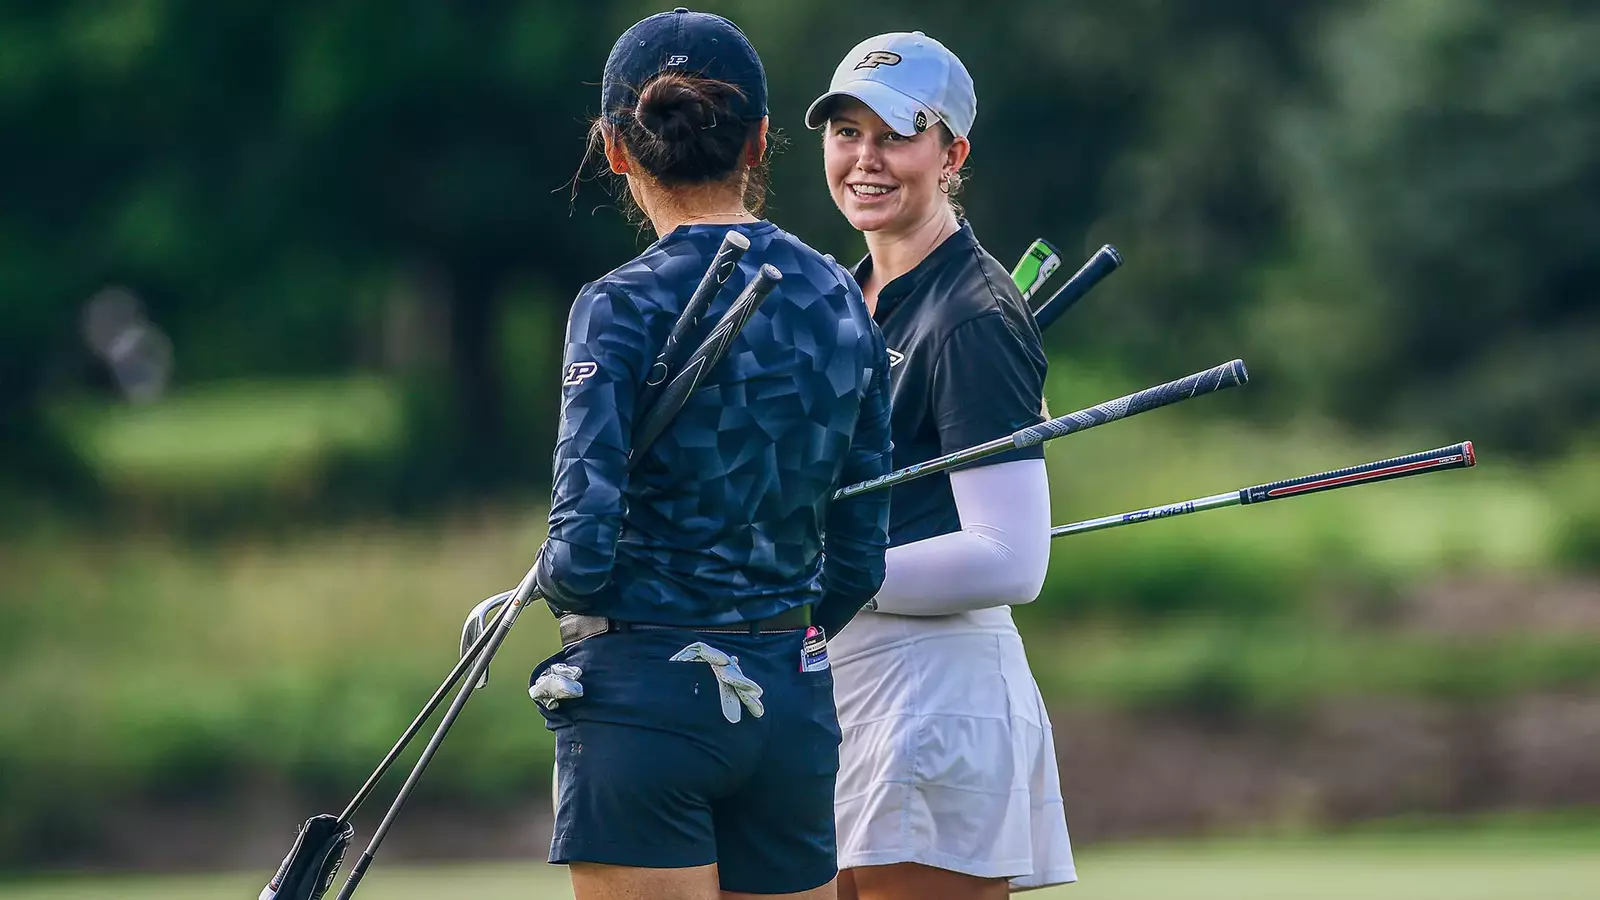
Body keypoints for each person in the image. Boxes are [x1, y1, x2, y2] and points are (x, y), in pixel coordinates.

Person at [529, 9, 892, 900]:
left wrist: (547, 585)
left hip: (643, 705)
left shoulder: (615, 305)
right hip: (789, 702)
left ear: (615, 148)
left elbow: (579, 559)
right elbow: (858, 557)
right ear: (762, 142)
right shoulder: (842, 298)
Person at [803, 31, 1078, 899]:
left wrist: (818, 576)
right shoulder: (853, 299)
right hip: (851, 684)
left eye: (895, 135)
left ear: (952, 151)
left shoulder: (973, 314)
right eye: (847, 133)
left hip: (933, 693)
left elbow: (1011, 556)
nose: (866, 159)